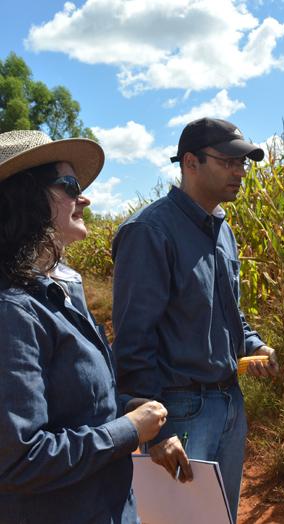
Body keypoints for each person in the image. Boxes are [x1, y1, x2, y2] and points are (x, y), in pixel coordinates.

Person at [111, 117, 279, 522]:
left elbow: (226, 310)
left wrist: (253, 344)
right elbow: (134, 340)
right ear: (190, 162)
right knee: (179, 517)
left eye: (245, 164)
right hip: (180, 408)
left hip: (228, 403)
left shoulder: (222, 230)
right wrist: (156, 433)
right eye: (229, 162)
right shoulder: (150, 232)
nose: (240, 172)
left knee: (220, 516)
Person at [0, 129, 168, 523]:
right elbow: (19, 460)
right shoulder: (13, 312)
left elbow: (69, 403)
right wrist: (128, 430)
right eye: (70, 185)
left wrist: (122, 409)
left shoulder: (54, 293)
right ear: (25, 197)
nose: (85, 197)